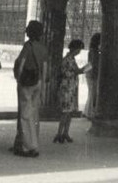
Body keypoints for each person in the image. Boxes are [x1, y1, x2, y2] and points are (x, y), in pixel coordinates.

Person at [12, 19, 48, 157]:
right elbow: (45, 68)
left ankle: (28, 147)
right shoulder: (43, 48)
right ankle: (33, 143)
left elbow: (21, 64)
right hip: (38, 82)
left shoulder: (28, 46)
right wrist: (43, 84)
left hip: (26, 83)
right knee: (34, 114)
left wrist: (18, 78)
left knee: (25, 115)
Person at [53, 39, 85, 144]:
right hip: (67, 88)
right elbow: (66, 73)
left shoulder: (70, 59)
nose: (79, 52)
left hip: (70, 88)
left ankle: (65, 133)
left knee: (69, 112)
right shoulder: (67, 59)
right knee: (65, 112)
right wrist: (79, 71)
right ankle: (59, 133)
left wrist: (79, 71)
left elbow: (75, 71)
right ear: (74, 49)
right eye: (79, 49)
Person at [83, 33, 101, 120]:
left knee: (91, 93)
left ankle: (88, 111)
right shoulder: (94, 52)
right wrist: (94, 75)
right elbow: (93, 64)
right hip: (92, 74)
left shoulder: (92, 51)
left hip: (89, 74)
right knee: (93, 94)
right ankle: (90, 113)